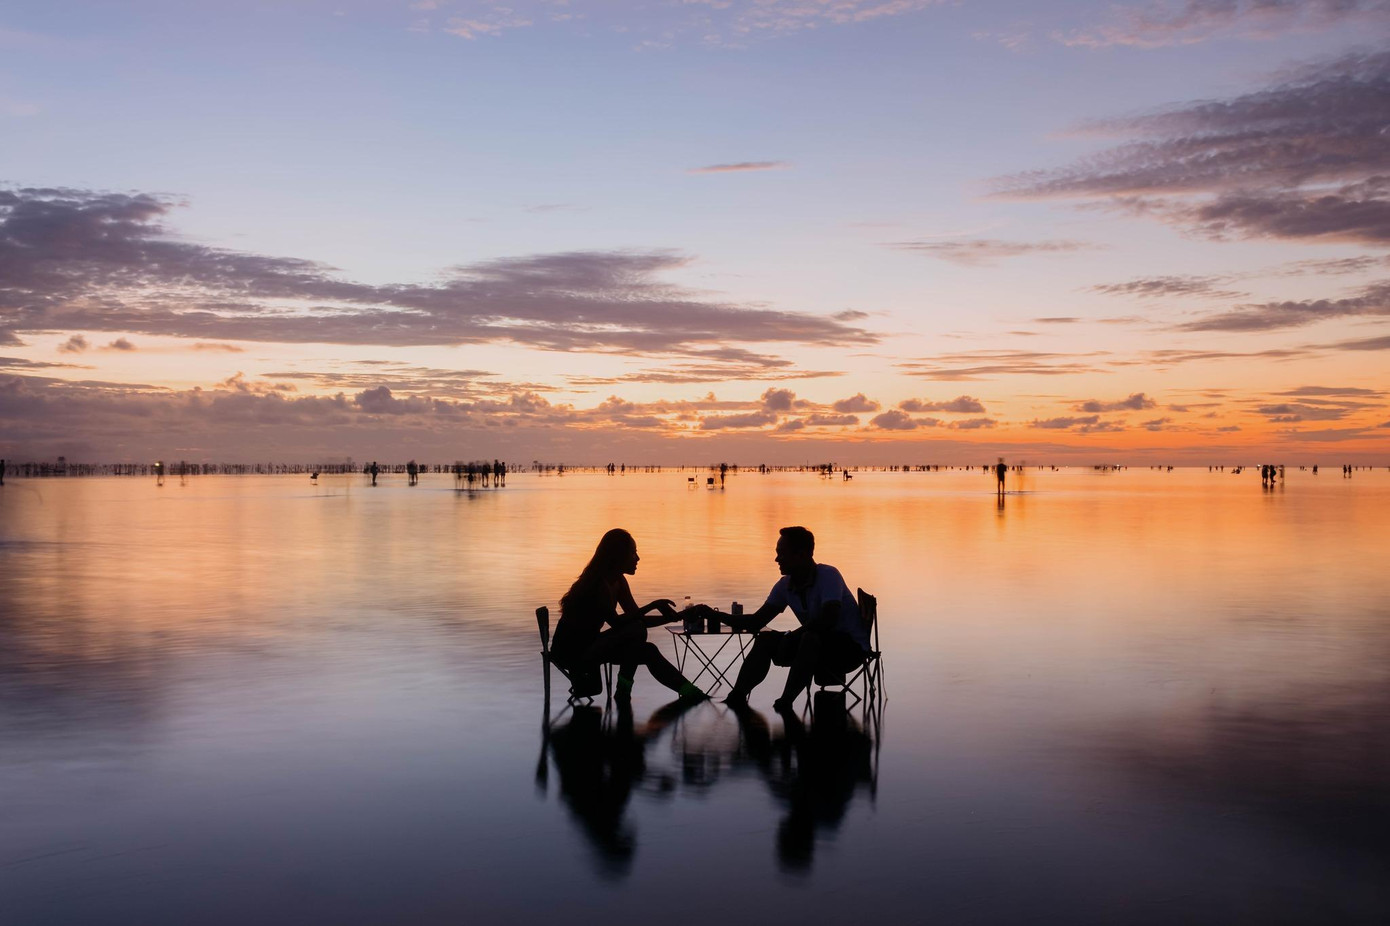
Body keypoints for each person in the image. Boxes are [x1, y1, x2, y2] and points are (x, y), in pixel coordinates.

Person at [698, 526, 867, 712]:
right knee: (765, 639)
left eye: (782, 554)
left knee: (809, 638)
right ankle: (737, 697)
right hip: (813, 646)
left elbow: (828, 619)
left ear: (801, 555)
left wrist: (792, 637)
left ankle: (786, 702)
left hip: (849, 651)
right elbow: (756, 622)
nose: (777, 559)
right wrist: (714, 615)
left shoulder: (828, 575)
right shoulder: (784, 586)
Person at [551, 529, 707, 702]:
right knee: (636, 630)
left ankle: (692, 693)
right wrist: (652, 605)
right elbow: (618, 623)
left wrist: (677, 616)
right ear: (618, 556)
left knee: (648, 650)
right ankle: (623, 691)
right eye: (633, 553)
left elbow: (635, 619)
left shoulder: (619, 582)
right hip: (572, 652)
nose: (638, 558)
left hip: (593, 645)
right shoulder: (597, 585)